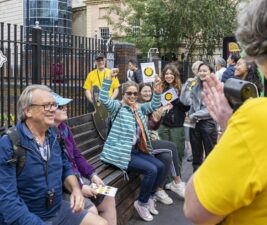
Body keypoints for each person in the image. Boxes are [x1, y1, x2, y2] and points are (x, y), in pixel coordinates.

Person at [184, 0, 267, 224]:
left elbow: (196, 208)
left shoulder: (261, 119)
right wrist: (233, 124)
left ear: (265, 48)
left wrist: (234, 130)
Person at [0, 85, 107, 225]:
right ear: (28, 111)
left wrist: (75, 189)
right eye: (46, 105)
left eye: (54, 104)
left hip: (56, 210)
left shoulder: (54, 135)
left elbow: (65, 166)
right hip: (27, 216)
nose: (53, 109)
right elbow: (7, 200)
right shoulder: (9, 143)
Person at [99, 72, 165, 222]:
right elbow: (103, 98)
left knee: (160, 166)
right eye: (129, 93)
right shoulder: (118, 107)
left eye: (135, 94)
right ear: (123, 94)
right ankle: (141, 203)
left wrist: (158, 88)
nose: (133, 96)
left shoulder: (138, 108)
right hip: (120, 153)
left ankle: (148, 198)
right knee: (151, 170)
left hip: (134, 151)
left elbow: (154, 105)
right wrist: (108, 79)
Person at [53, 92, 117, 225]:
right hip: (64, 187)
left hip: (77, 179)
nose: (66, 108)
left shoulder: (64, 128)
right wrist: (80, 187)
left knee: (109, 198)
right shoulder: (49, 135)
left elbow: (76, 155)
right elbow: (59, 171)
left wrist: (92, 174)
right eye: (61, 106)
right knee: (91, 211)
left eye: (65, 106)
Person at [139, 83, 186, 203]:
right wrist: (154, 120)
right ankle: (177, 182)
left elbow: (154, 128)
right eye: (144, 91)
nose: (147, 93)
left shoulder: (153, 106)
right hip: (140, 144)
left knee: (166, 156)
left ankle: (158, 190)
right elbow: (143, 128)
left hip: (149, 141)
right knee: (171, 147)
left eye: (149, 91)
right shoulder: (139, 106)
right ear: (139, 93)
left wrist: (158, 117)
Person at [180, 61, 218, 171]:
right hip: (193, 121)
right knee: (196, 154)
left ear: (211, 72)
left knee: (211, 153)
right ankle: (196, 178)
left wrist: (193, 115)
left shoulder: (215, 86)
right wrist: (186, 87)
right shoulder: (195, 85)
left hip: (207, 122)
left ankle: (211, 178)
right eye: (200, 71)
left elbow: (211, 108)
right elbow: (185, 102)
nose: (202, 73)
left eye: (205, 71)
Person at [158, 64, 190, 163]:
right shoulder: (160, 88)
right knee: (164, 154)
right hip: (163, 125)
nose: (169, 76)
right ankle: (167, 178)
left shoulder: (182, 88)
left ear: (175, 75)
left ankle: (177, 177)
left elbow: (187, 107)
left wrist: (177, 100)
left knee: (177, 152)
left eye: (171, 74)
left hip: (177, 126)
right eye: (166, 74)